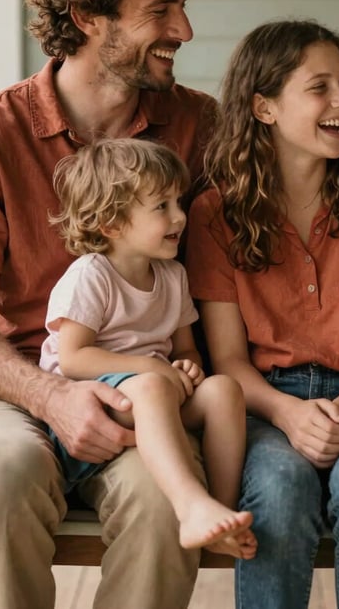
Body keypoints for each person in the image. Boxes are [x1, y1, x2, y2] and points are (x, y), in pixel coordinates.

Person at [0, 0, 218, 609]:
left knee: (160, 497)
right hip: (9, 387)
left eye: (183, 7)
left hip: (144, 390)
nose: (184, 31)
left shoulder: (197, 125)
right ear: (87, 13)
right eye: (162, 10)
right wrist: (53, 397)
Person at [185, 19, 339, 609]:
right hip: (265, 404)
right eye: (320, 88)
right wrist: (291, 415)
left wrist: (338, 415)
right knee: (279, 490)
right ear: (263, 106)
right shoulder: (215, 214)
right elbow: (230, 362)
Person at [39, 137, 256, 559]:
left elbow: (186, 351)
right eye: (162, 207)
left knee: (224, 389)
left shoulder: (172, 277)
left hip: (152, 401)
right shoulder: (91, 275)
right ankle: (190, 505)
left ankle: (220, 512)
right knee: (152, 388)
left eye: (179, 201)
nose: (179, 216)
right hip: (92, 413)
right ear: (111, 223)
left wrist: (189, 368)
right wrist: (150, 369)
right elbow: (74, 358)